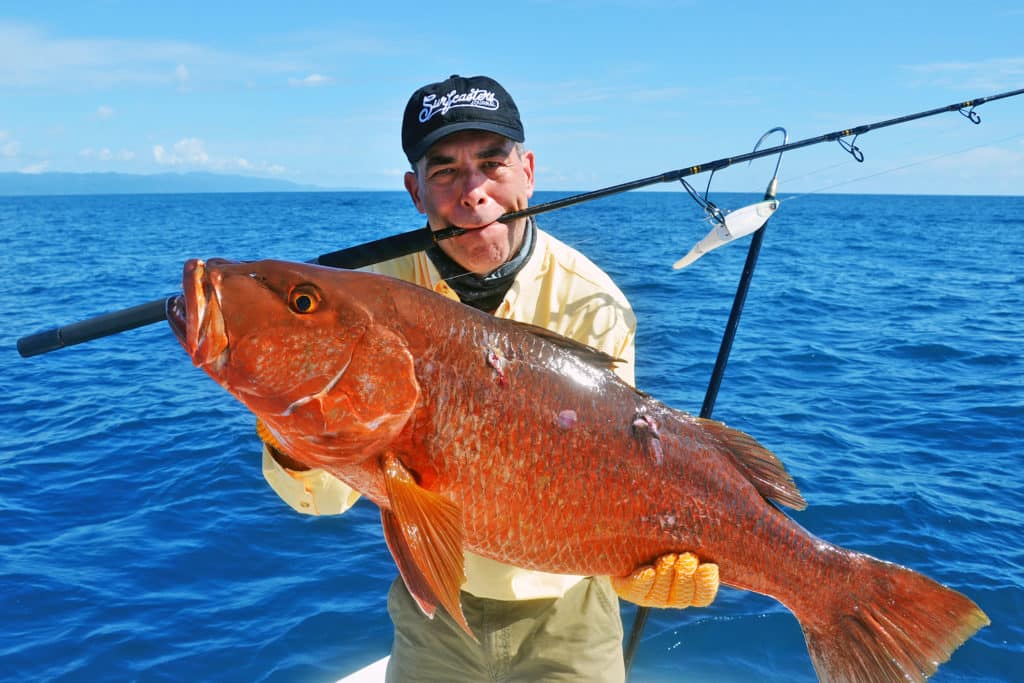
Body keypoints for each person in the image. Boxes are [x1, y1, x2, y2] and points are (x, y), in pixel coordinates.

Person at [260, 74, 719, 682]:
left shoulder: (594, 303)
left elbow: (620, 472)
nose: (472, 192)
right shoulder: (366, 294)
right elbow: (324, 499)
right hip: (434, 610)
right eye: (444, 170)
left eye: (493, 164)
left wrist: (643, 568)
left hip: (569, 611)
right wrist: (288, 426)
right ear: (414, 191)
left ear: (528, 171)